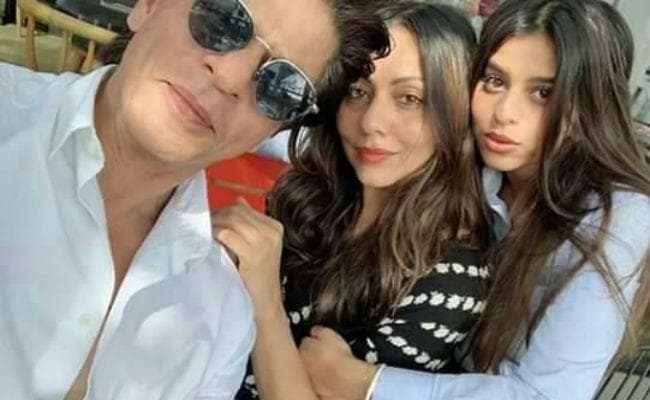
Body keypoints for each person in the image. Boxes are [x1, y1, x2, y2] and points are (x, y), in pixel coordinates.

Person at [0, 0, 389, 398]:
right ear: (149, 6)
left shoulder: (222, 310)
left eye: (281, 85)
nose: (231, 77)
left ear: (271, 131)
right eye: (223, 19)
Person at [296, 1, 650, 399]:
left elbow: (549, 395)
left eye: (543, 92)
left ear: (593, 103)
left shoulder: (617, 217)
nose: (504, 113)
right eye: (495, 81)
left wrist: (366, 383)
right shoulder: (475, 161)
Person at [211, 3, 489, 400]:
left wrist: (265, 301)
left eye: (409, 98)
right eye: (358, 91)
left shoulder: (450, 278)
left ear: (455, 114)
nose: (371, 121)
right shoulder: (315, 194)